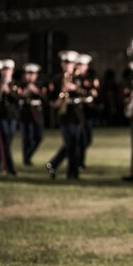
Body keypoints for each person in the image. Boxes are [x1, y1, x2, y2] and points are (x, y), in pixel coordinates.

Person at [47, 50, 84, 180]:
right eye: (66, 63)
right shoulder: (56, 80)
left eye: (71, 63)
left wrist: (75, 89)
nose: (68, 65)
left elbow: (88, 94)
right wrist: (61, 95)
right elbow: (51, 102)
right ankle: (71, 173)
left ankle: (54, 164)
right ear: (62, 64)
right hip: (65, 115)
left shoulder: (79, 79)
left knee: (75, 144)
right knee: (70, 144)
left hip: (77, 115)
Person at [0, 59, 19, 175]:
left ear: (12, 71)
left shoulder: (15, 84)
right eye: (4, 69)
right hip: (0, 115)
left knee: (5, 141)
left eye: (8, 69)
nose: (6, 72)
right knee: (5, 141)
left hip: (12, 115)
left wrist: (8, 92)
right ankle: (10, 168)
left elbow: (18, 99)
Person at [75, 53, 100, 170]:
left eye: (83, 64)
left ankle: (79, 160)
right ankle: (79, 162)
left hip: (88, 111)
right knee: (80, 139)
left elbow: (94, 92)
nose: (81, 66)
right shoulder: (74, 77)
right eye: (79, 64)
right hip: (78, 111)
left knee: (87, 139)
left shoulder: (90, 77)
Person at [18, 63, 46, 166]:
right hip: (25, 113)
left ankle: (28, 155)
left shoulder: (40, 84)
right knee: (27, 138)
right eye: (28, 73)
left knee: (39, 137)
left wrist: (36, 91)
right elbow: (17, 98)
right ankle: (26, 160)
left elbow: (45, 99)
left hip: (37, 113)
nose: (31, 76)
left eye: (33, 74)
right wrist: (25, 92)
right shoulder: (20, 85)